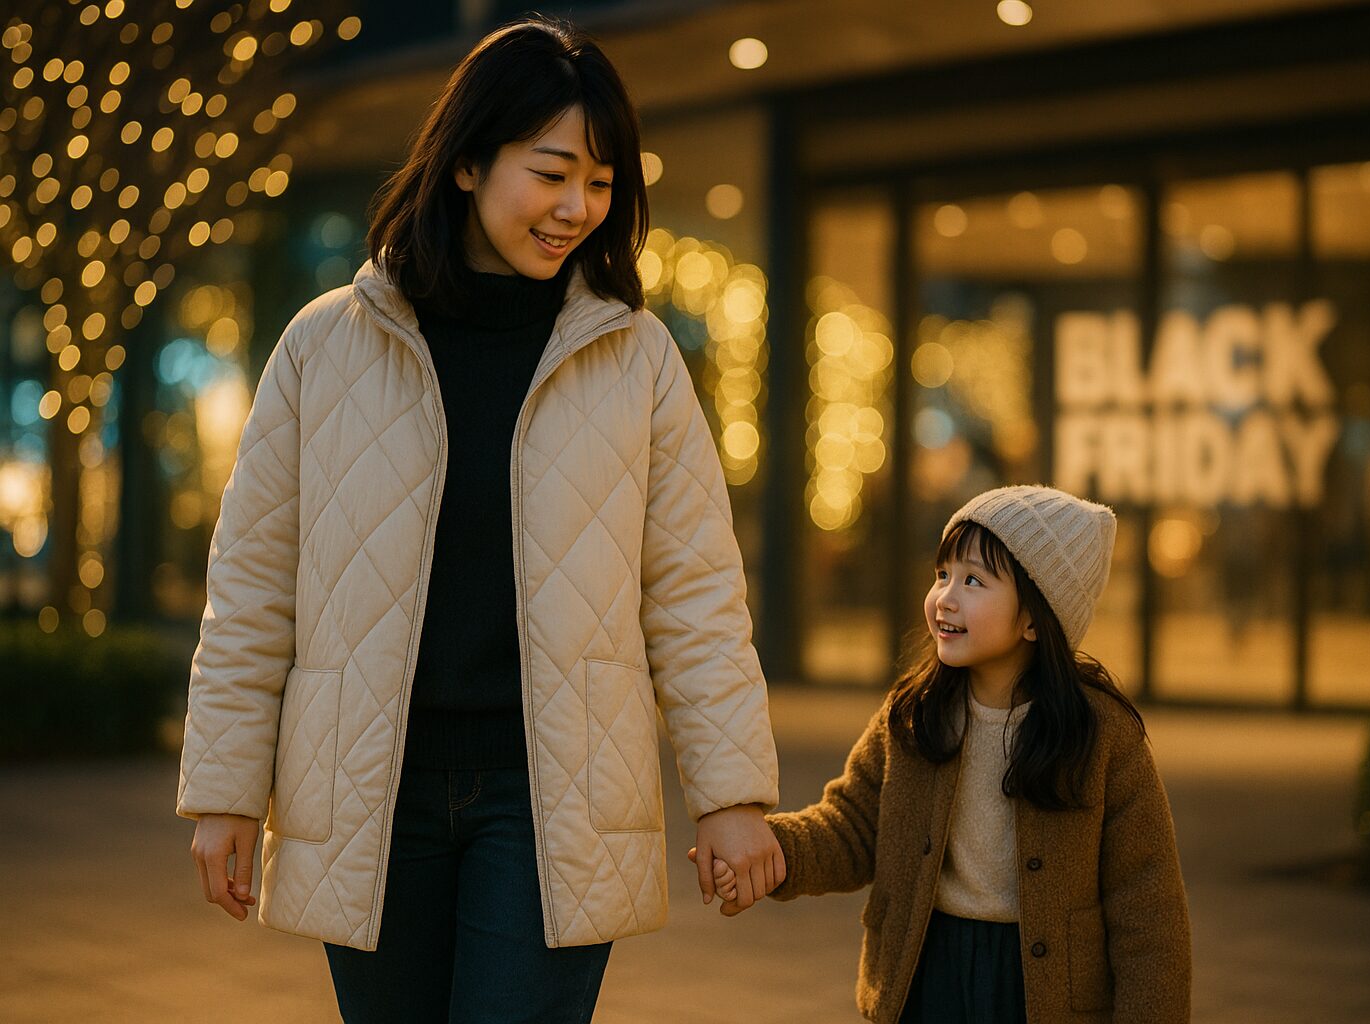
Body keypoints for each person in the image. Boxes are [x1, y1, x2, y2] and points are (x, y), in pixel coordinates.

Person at [177, 17, 782, 1023]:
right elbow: (252, 581)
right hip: (369, 789)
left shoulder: (636, 359)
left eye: (600, 183)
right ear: (465, 163)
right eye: (551, 174)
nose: (577, 208)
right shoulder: (325, 347)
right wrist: (227, 790)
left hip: (553, 799)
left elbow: (695, 589)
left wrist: (730, 794)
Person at [701, 485, 1191, 1023]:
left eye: (974, 581)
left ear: (1035, 618)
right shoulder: (915, 714)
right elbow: (851, 825)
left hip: (1041, 986)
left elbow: (1148, 906)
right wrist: (771, 853)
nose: (946, 597)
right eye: (943, 574)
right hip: (925, 968)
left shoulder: (1101, 737)